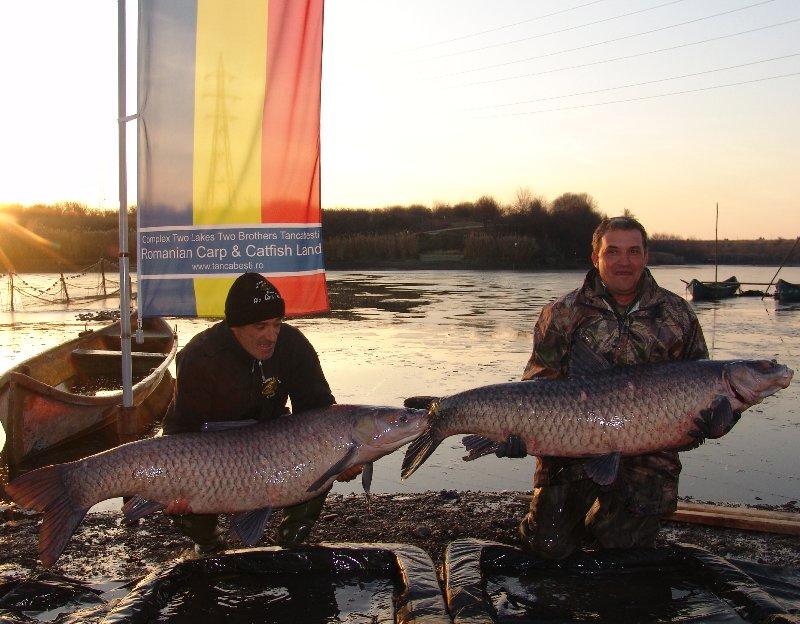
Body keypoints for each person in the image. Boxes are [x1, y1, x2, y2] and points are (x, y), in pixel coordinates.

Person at [516, 215, 708, 559]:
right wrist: (517, 433)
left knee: (624, 551)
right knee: (548, 548)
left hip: (648, 454)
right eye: (613, 251)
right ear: (596, 257)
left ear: (646, 256)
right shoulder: (561, 313)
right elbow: (538, 386)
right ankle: (551, 520)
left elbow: (700, 389)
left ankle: (608, 521)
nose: (624, 261)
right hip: (568, 446)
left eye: (634, 251)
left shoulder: (678, 314)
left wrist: (717, 422)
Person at [162, 272, 360, 554]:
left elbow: (319, 413)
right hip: (212, 452)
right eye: (260, 326)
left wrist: (343, 455)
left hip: (274, 447)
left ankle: (293, 537)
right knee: (183, 497)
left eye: (277, 324)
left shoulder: (293, 345)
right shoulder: (201, 355)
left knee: (319, 456)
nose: (271, 335)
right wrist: (176, 488)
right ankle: (208, 542)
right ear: (235, 326)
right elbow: (181, 430)